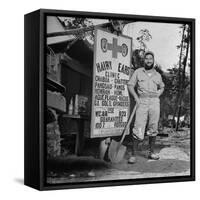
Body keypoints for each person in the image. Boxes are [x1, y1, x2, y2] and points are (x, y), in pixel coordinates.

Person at [127, 51, 165, 163]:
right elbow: (130, 85)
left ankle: (151, 152)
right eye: (146, 58)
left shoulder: (157, 75)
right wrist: (136, 97)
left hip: (154, 101)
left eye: (151, 59)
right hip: (142, 100)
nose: (148, 60)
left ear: (153, 60)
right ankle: (133, 154)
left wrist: (158, 94)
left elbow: (162, 87)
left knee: (153, 126)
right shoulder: (138, 72)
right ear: (144, 60)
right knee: (138, 126)